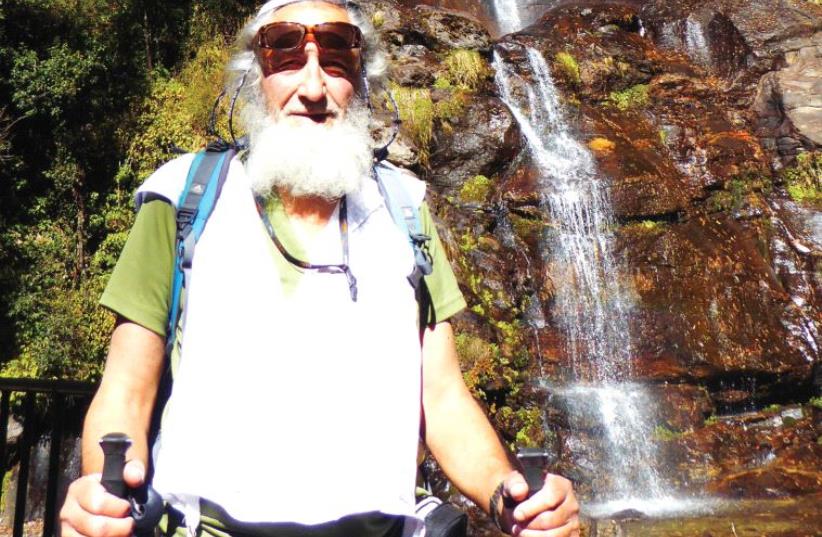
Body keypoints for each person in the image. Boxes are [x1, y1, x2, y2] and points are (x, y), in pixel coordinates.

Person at [59, 0, 580, 535]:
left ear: (361, 81)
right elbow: (126, 389)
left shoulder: (405, 210)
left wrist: (508, 495)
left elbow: (443, 400)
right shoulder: (182, 199)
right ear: (254, 76)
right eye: (285, 57)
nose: (312, 88)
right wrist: (104, 496)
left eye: (336, 60)